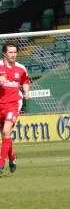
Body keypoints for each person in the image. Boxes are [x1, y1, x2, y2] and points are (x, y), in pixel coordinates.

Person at [0, 42, 30, 174]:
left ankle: (1, 163)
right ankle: (12, 156)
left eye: (15, 52)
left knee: (6, 131)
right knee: (4, 135)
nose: (13, 55)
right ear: (4, 54)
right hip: (1, 104)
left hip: (14, 103)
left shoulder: (21, 68)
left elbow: (25, 81)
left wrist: (26, 92)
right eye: (10, 52)